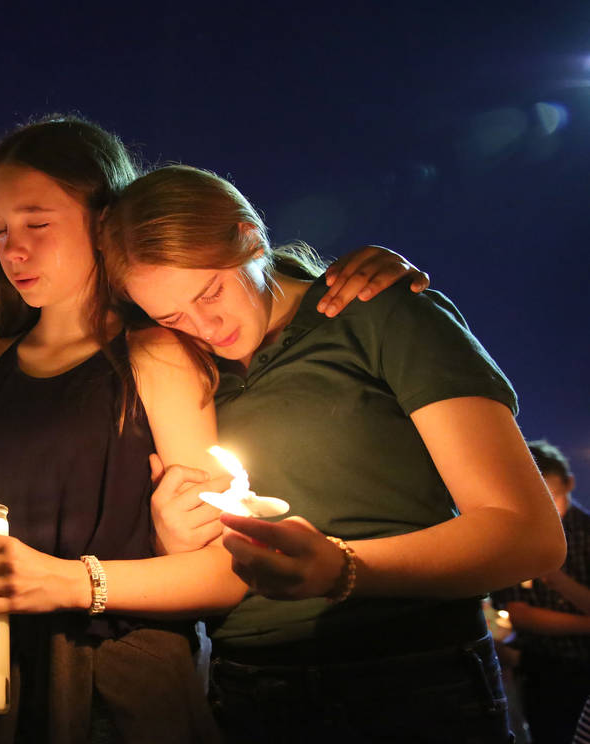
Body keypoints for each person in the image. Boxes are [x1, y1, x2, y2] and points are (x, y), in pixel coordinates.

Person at [0, 116, 429, 744]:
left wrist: (68, 580)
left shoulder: (156, 354)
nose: (14, 250)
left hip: (115, 682)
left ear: (102, 221)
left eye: (37, 223)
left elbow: (224, 562)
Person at [101, 163, 567, 743]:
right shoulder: (178, 367)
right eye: (172, 316)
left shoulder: (376, 314)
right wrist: (170, 535)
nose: (204, 326)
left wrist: (342, 567)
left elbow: (529, 536)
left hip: (412, 683)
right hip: (247, 690)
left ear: (251, 238)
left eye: (211, 291)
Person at [491, 440, 589, 744]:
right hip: (539, 668)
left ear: (570, 483)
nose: (544, 509)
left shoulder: (587, 532)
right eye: (534, 499)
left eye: (553, 497)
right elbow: (519, 615)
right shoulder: (513, 539)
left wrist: (554, 577)